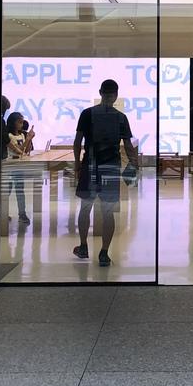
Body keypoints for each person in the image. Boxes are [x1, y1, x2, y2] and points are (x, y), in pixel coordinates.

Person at [73, 79, 138, 267]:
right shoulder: (121, 117)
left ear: (100, 93)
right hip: (110, 168)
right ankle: (104, 253)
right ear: (116, 95)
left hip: (90, 166)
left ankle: (83, 246)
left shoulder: (87, 114)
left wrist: (77, 164)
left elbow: (77, 142)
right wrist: (134, 165)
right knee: (108, 212)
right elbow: (128, 145)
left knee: (85, 208)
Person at [3, 111, 31, 226]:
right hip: (11, 165)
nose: (21, 124)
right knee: (8, 191)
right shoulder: (9, 136)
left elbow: (26, 150)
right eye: (19, 122)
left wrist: (29, 139)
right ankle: (3, 212)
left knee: (20, 191)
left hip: (19, 166)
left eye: (22, 122)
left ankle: (22, 213)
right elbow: (18, 150)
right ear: (13, 123)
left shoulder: (22, 135)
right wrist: (28, 139)